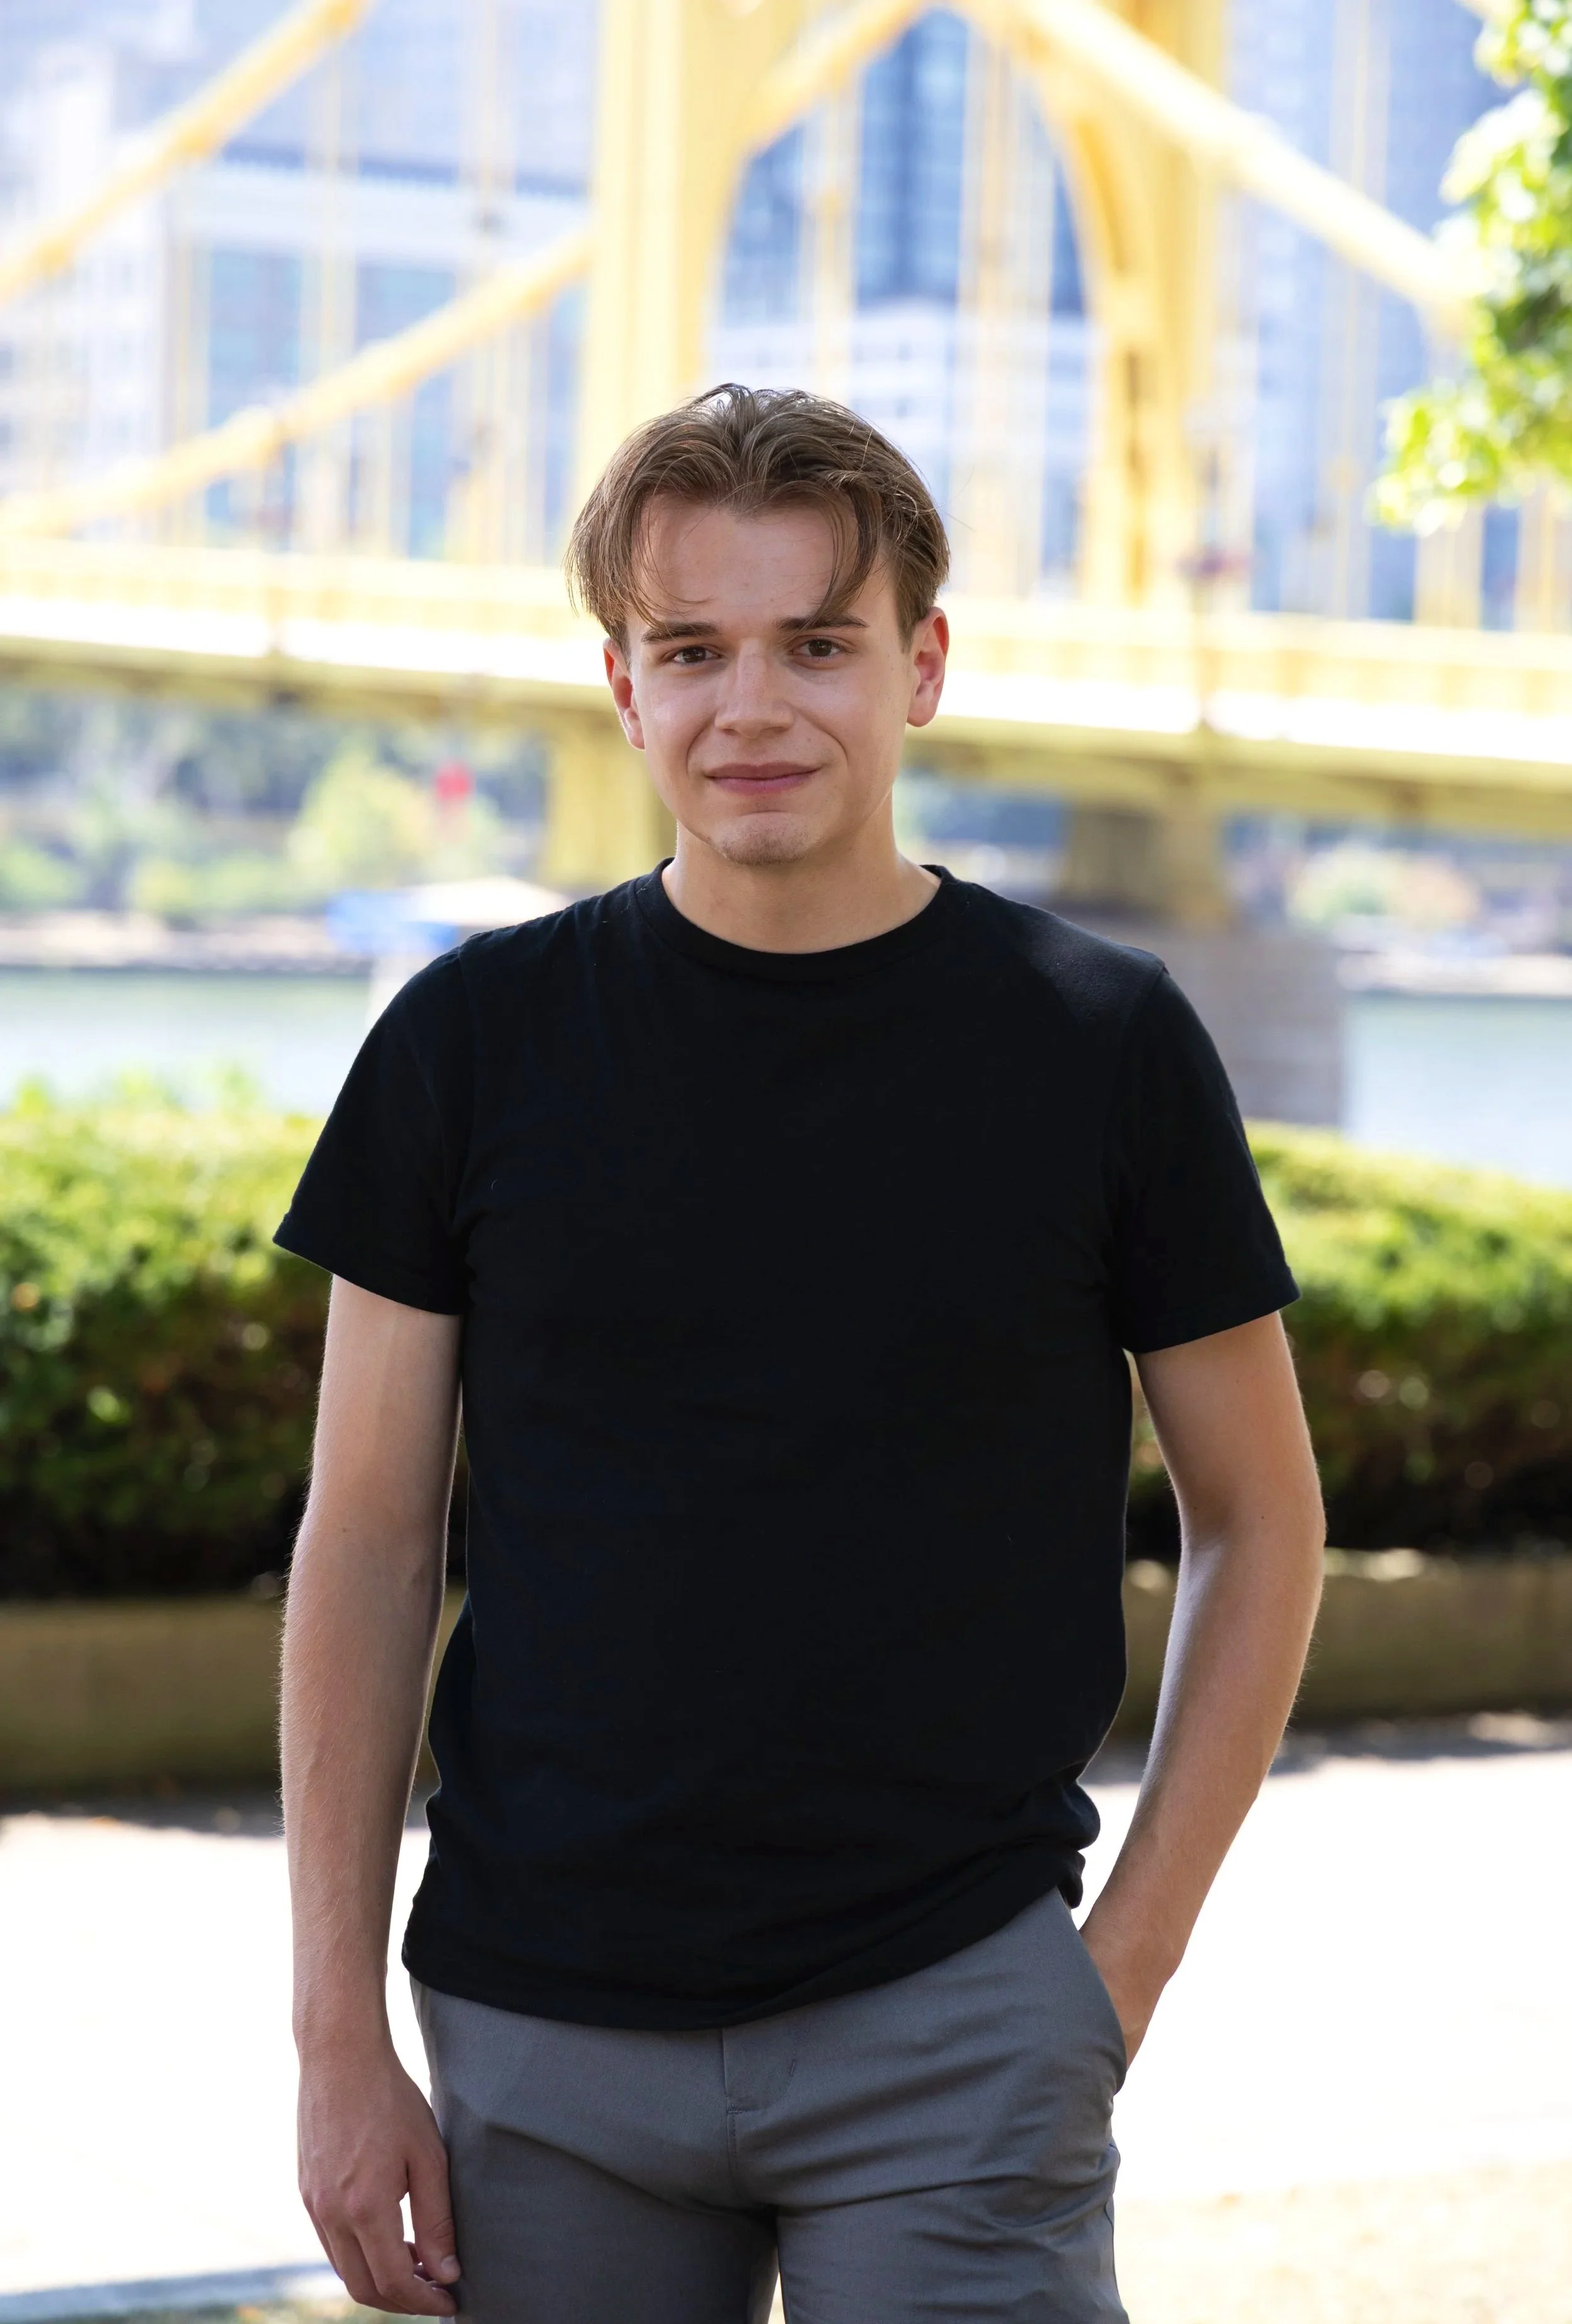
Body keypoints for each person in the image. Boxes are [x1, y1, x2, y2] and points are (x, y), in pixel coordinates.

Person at [277, 382, 1325, 2324]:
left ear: (919, 668)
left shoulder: (1096, 1042)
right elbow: (363, 1542)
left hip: (952, 2020)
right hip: (536, 2035)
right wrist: (338, 2038)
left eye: (816, 646)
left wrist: (1121, 1971)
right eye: (693, 650)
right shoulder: (465, 1044)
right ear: (620, 680)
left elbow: (1262, 1523)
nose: (749, 707)